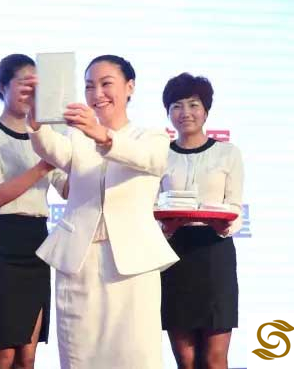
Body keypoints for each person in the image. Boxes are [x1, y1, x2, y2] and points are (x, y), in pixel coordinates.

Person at [25, 55, 178, 369]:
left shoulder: (152, 137)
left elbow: (148, 159)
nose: (97, 94)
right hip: (80, 261)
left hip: (133, 264)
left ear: (130, 87)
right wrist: (36, 120)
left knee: (136, 354)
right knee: (80, 354)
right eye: (89, 86)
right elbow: (51, 149)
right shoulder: (76, 138)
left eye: (106, 84)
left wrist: (102, 135)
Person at [0, 54, 68, 369]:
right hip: (1, 244)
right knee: (4, 352)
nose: (31, 92)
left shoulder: (48, 136)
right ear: (3, 86)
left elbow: (66, 188)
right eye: (24, 84)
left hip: (36, 242)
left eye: (36, 86)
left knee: (27, 354)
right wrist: (42, 167)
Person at [159, 73, 244, 369]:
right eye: (177, 106)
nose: (185, 113)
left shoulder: (228, 153)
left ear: (206, 110)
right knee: (185, 359)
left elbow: (235, 206)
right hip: (174, 254)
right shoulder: (159, 156)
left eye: (193, 105)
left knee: (214, 357)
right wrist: (165, 228)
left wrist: (225, 225)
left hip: (215, 252)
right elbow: (151, 206)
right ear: (168, 113)